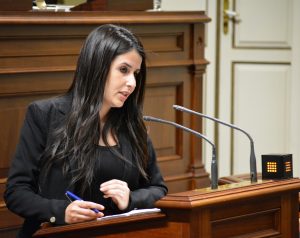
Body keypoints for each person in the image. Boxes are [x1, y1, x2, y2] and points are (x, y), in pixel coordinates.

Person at [4, 24, 168, 238]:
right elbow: (16, 192)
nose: (132, 83)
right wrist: (61, 212)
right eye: (124, 70)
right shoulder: (45, 114)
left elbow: (158, 189)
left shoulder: (132, 125)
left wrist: (131, 199)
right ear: (97, 66)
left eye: (136, 74)